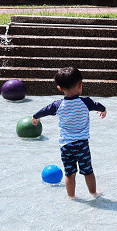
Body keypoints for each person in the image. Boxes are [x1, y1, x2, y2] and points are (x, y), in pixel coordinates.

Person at [31, 67, 107, 199]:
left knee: (69, 174)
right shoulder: (86, 102)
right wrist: (103, 110)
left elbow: (44, 111)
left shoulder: (57, 105)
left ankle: (71, 197)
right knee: (88, 171)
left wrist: (35, 117)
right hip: (82, 145)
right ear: (80, 84)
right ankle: (94, 194)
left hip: (66, 146)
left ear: (60, 88)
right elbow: (98, 106)